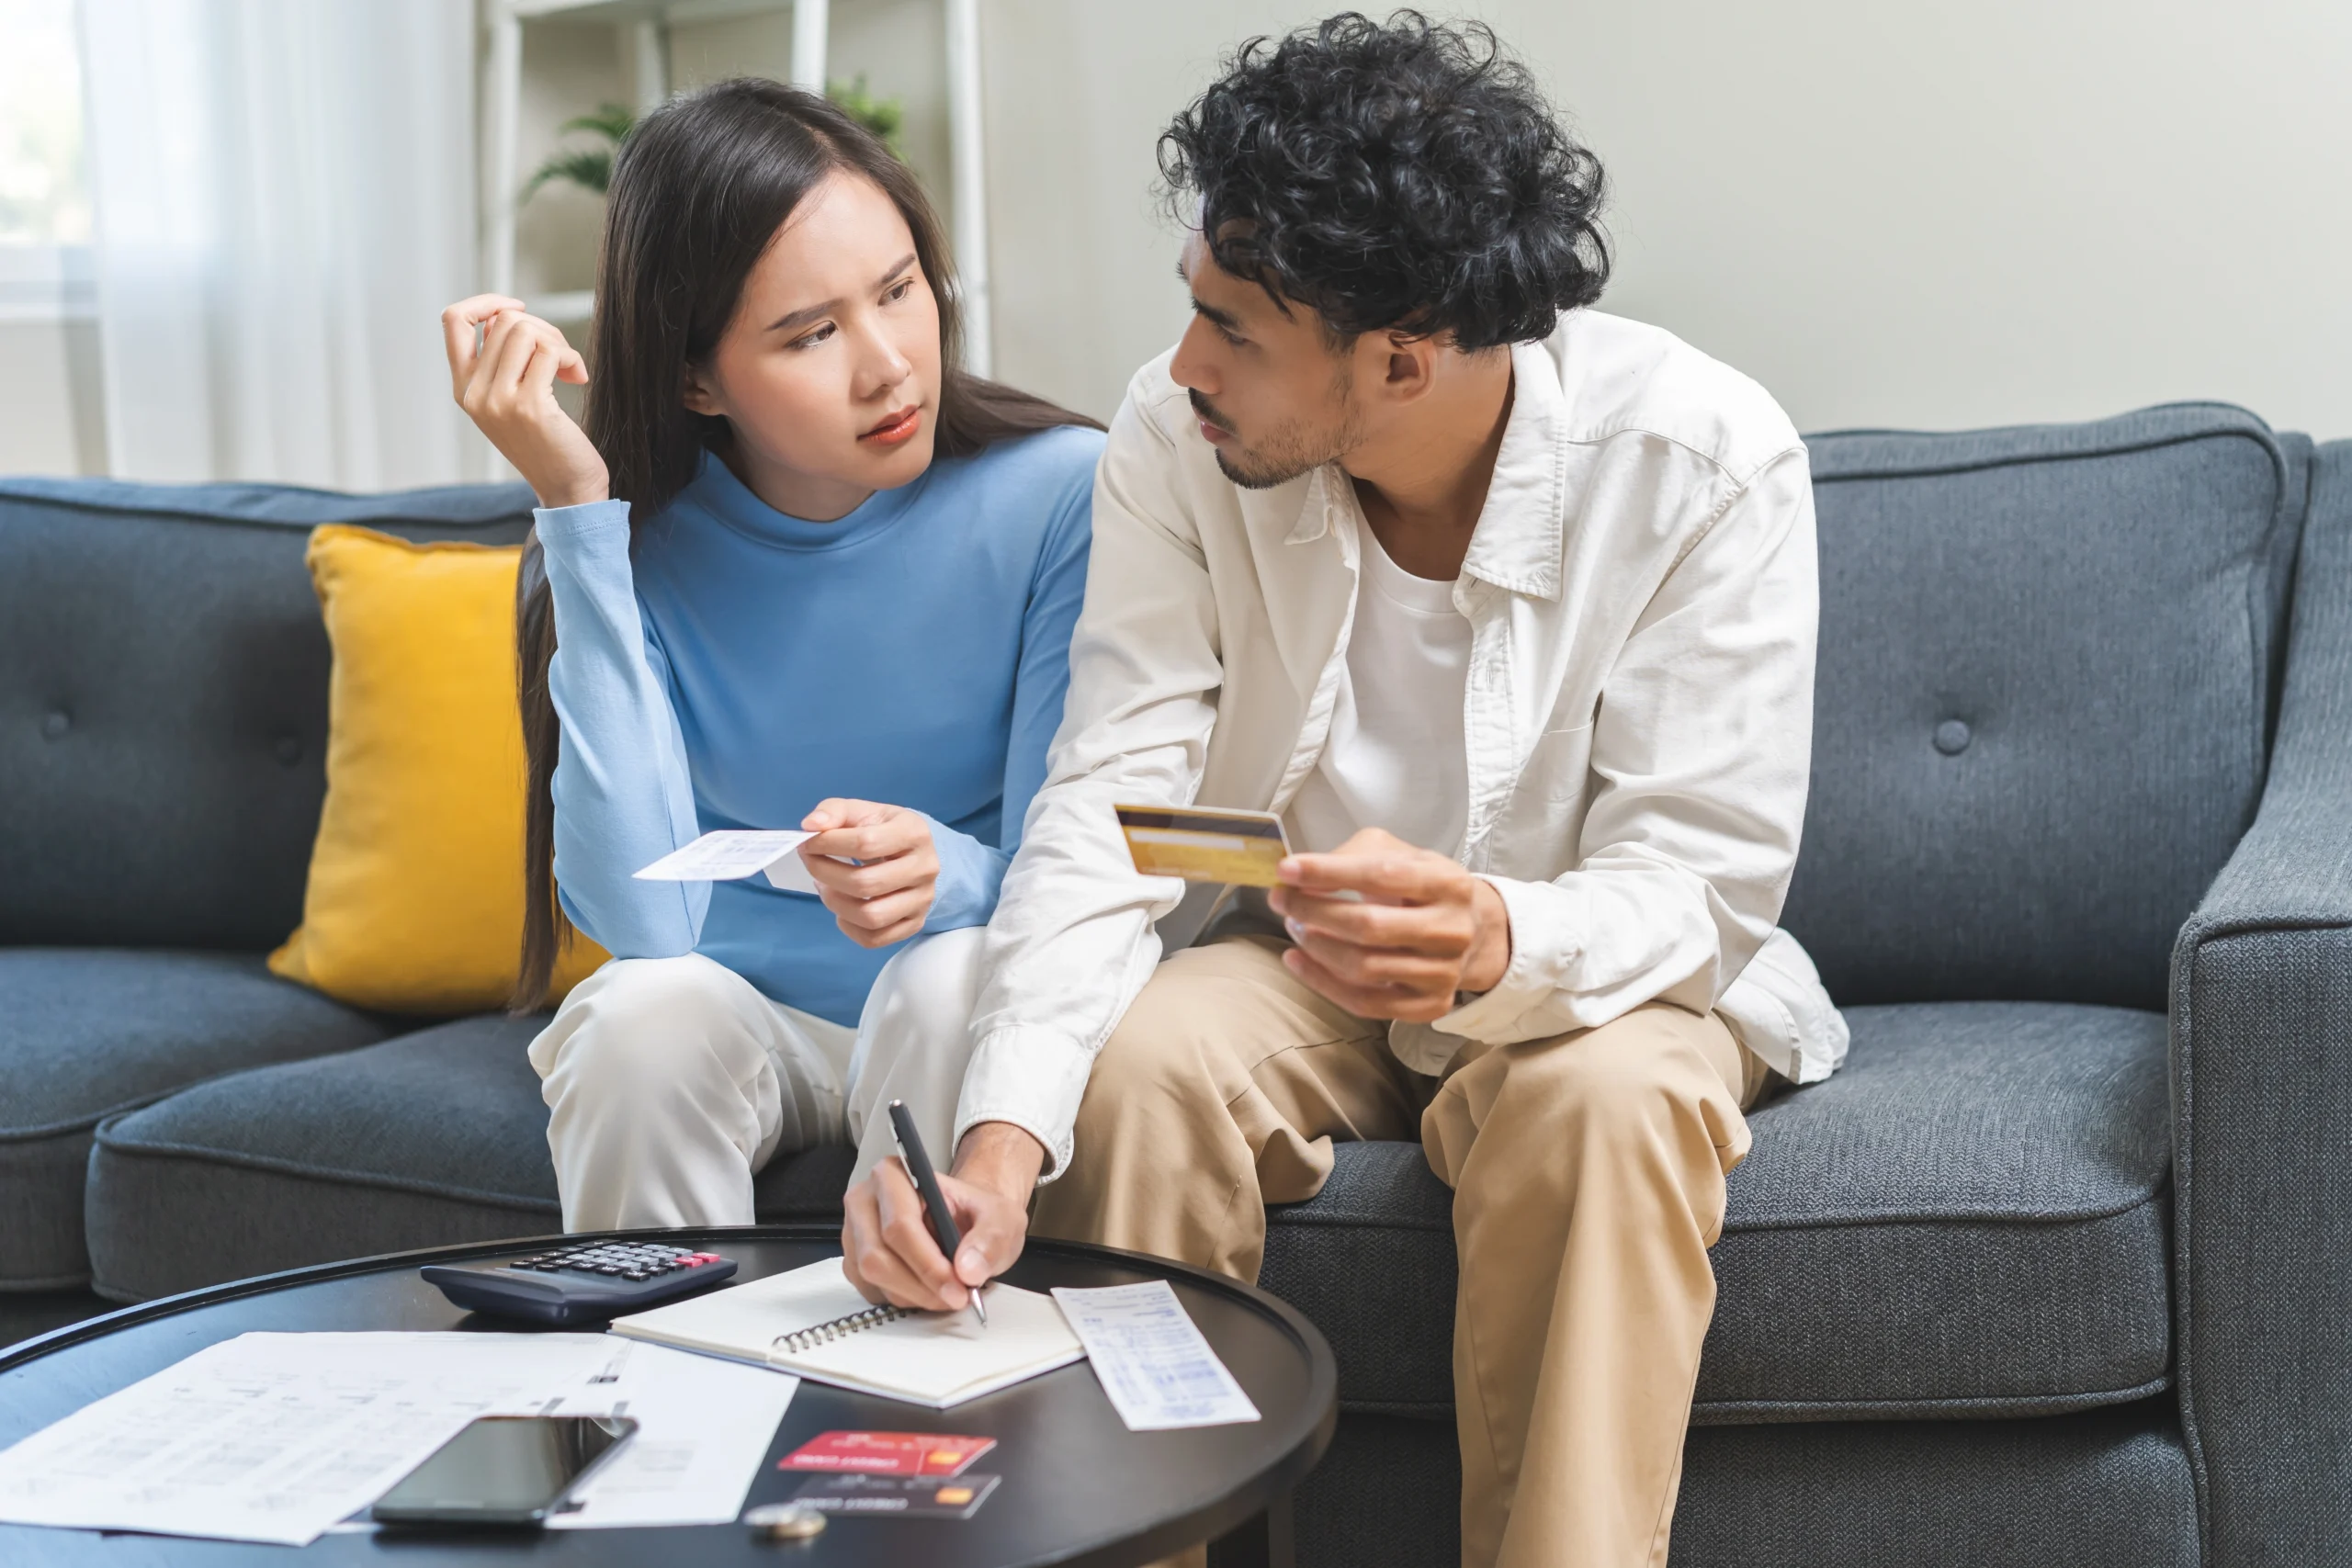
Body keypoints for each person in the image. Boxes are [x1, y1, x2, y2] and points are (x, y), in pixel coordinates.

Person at [837, 16, 1849, 1568]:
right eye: (1193, 309)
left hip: (1596, 982)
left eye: (1233, 329)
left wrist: (1497, 937)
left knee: (1607, 1106)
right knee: (1139, 1065)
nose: (1182, 369)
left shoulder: (1704, 465)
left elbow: (1699, 887)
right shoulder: (1179, 446)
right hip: (1303, 967)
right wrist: (995, 1144)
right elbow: (1110, 804)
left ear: (1401, 351)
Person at [437, 78, 1103, 1231]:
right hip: (740, 1011)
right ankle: (670, 1399)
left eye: (899, 292)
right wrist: (579, 510)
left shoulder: (1062, 495)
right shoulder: (624, 541)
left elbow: (1082, 866)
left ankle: (912, 1384)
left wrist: (952, 870)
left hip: (950, 990)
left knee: (950, 980)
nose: (888, 365)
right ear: (696, 379)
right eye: (810, 334)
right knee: (635, 1020)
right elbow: (642, 927)